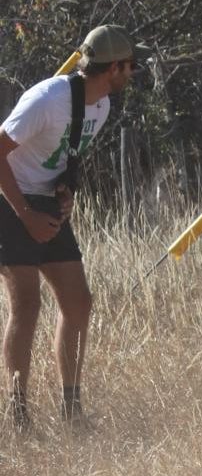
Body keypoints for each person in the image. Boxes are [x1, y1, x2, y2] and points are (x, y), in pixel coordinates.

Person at [0, 22, 144, 426]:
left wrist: (66, 192)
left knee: (78, 301)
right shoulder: (47, 99)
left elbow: (67, 155)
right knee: (26, 305)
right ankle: (18, 413)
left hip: (46, 204)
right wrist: (26, 215)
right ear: (113, 68)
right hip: (9, 201)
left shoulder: (101, 106)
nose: (133, 73)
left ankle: (71, 411)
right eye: (130, 65)